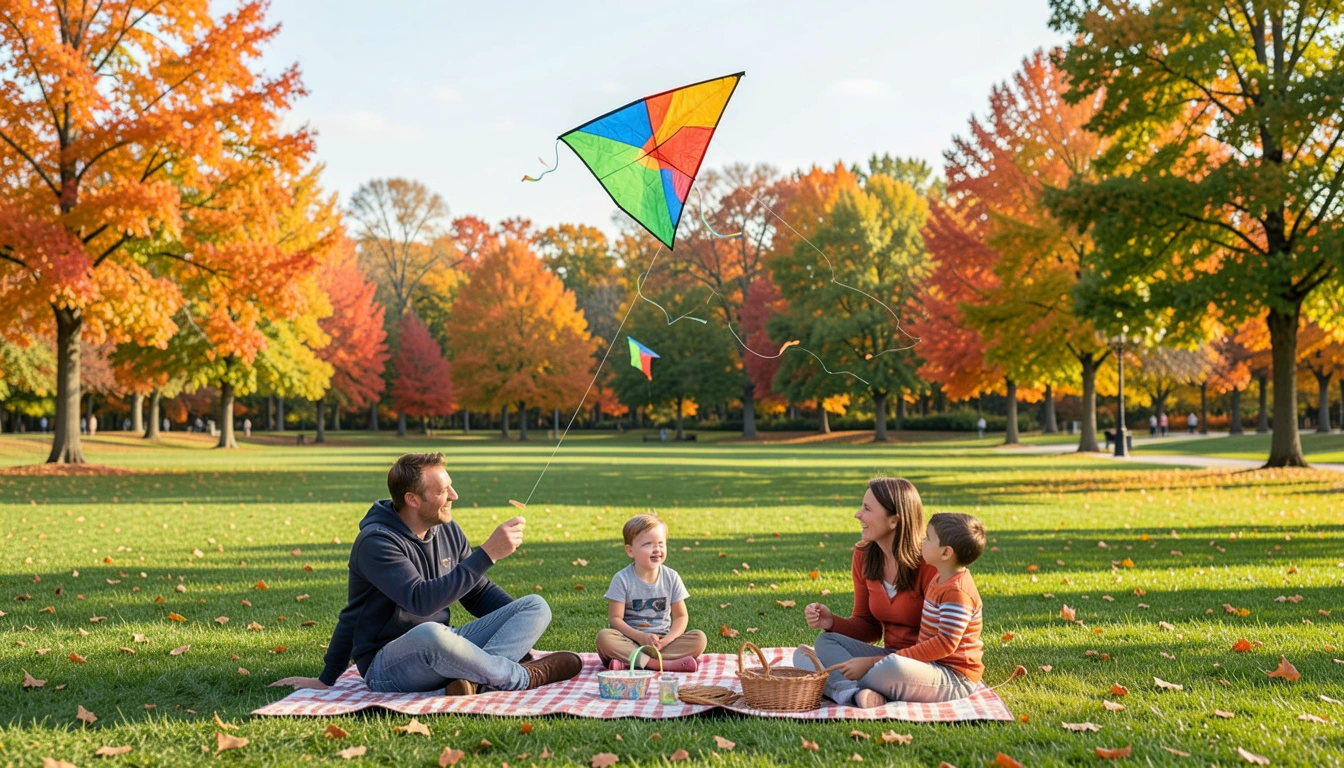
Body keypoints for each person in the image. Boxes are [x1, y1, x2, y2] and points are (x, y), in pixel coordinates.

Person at [270, 452, 581, 696]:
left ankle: (474, 680)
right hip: (388, 664)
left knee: (535, 606)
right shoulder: (377, 542)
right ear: (413, 499)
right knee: (430, 633)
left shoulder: (447, 530)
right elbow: (420, 602)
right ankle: (522, 676)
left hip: (445, 644)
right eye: (443, 491)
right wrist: (327, 679)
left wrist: (514, 627)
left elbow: (476, 591)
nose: (454, 496)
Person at [791, 478, 938, 706]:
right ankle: (854, 694)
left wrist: (873, 663)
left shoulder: (930, 563)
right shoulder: (864, 556)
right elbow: (869, 627)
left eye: (867, 509)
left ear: (894, 521)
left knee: (817, 667)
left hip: (918, 664)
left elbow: (941, 640)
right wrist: (832, 621)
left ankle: (847, 689)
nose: (857, 515)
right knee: (816, 647)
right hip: (886, 657)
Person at [849, 512, 986, 707]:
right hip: (927, 667)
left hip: (955, 679)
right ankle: (856, 688)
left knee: (891, 666)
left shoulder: (957, 591)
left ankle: (841, 688)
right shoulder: (939, 580)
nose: (922, 541)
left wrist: (874, 662)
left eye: (928, 538)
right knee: (825, 644)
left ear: (946, 553)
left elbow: (945, 643)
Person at [596, 513, 706, 672]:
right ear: (630, 551)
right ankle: (660, 665)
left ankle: (630, 663)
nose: (657, 549)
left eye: (661, 543)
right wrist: (640, 637)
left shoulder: (671, 577)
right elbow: (615, 619)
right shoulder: (622, 579)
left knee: (699, 638)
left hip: (662, 643)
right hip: (631, 641)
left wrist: (666, 641)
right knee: (604, 638)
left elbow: (681, 616)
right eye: (648, 544)